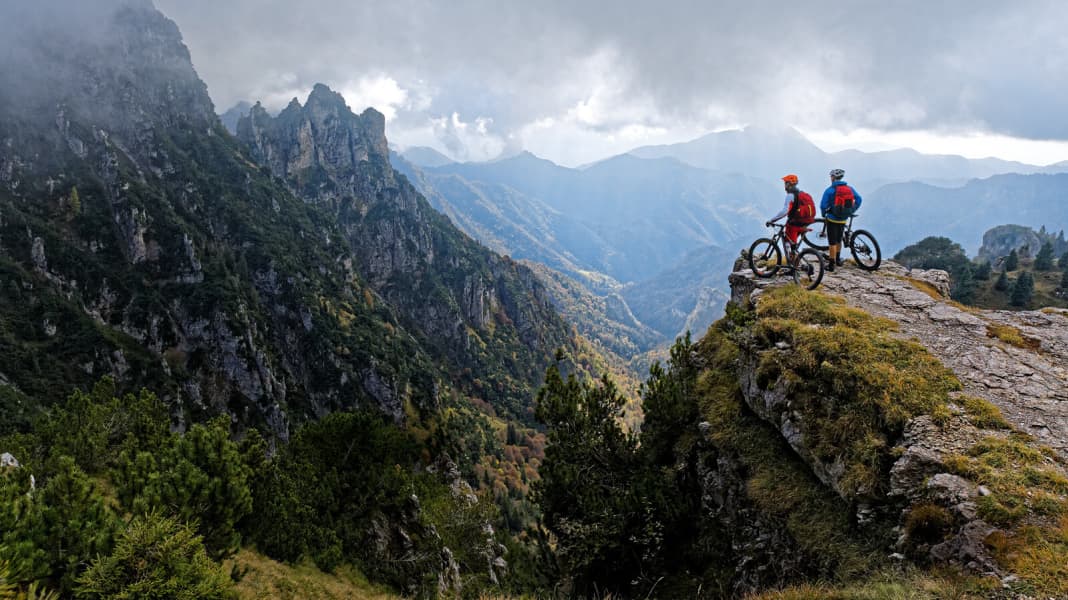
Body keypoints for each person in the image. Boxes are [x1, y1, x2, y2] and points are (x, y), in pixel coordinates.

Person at [766, 174, 816, 264]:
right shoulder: (801, 194)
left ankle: (793, 264)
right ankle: (794, 260)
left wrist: (772, 220)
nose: (784, 185)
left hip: (794, 224)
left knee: (787, 242)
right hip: (805, 223)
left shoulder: (790, 196)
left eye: (785, 183)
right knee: (792, 243)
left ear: (789, 184)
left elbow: (785, 211)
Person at [820, 168, 862, 271]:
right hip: (843, 218)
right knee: (839, 239)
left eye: (831, 176)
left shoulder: (829, 190)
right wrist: (852, 210)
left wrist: (824, 214)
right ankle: (838, 259)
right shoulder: (849, 188)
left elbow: (823, 205)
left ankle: (831, 265)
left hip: (832, 219)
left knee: (832, 241)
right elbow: (859, 199)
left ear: (833, 178)